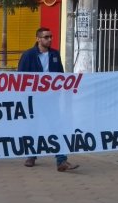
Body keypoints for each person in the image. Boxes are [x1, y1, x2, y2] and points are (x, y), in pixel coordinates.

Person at [18, 27, 79, 172]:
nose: (50, 39)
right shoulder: (28, 55)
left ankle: (61, 160)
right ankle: (31, 155)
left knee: (57, 127)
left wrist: (64, 90)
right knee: (33, 127)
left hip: (51, 99)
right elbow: (20, 77)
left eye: (51, 36)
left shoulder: (55, 54)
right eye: (46, 37)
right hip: (33, 98)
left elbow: (60, 75)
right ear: (38, 39)